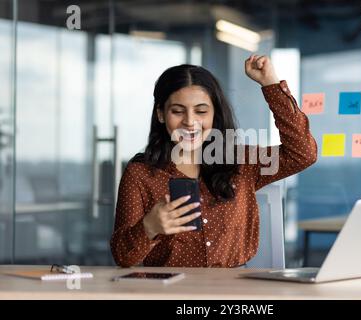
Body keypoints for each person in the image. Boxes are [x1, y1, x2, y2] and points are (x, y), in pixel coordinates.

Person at [110, 54, 317, 267]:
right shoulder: (140, 174)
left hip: (233, 291)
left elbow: (303, 153)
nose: (190, 122)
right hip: (168, 291)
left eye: (201, 111)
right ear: (161, 114)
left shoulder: (241, 162)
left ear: (214, 114)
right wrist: (149, 227)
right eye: (177, 111)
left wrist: (271, 84)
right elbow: (123, 257)